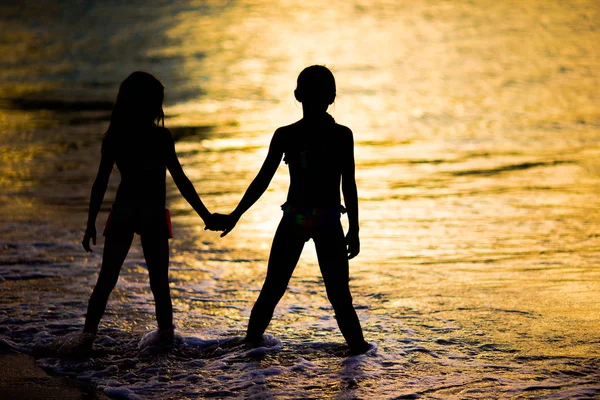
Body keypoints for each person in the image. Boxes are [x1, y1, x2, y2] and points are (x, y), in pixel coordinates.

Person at [218, 65, 369, 355]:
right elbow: (349, 184)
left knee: (272, 289)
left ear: (298, 95)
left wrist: (236, 214)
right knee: (340, 298)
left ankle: (250, 351)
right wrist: (355, 228)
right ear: (332, 97)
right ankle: (359, 357)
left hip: (295, 219)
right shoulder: (341, 135)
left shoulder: (287, 134)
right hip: (327, 220)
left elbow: (262, 180)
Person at [77, 71, 219, 352]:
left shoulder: (115, 136)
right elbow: (181, 180)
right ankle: (166, 339)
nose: (159, 108)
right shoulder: (160, 137)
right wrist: (206, 215)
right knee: (159, 283)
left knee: (107, 279)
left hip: (125, 209)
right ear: (149, 104)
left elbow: (101, 182)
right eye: (157, 102)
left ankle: (86, 339)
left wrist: (91, 222)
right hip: (152, 212)